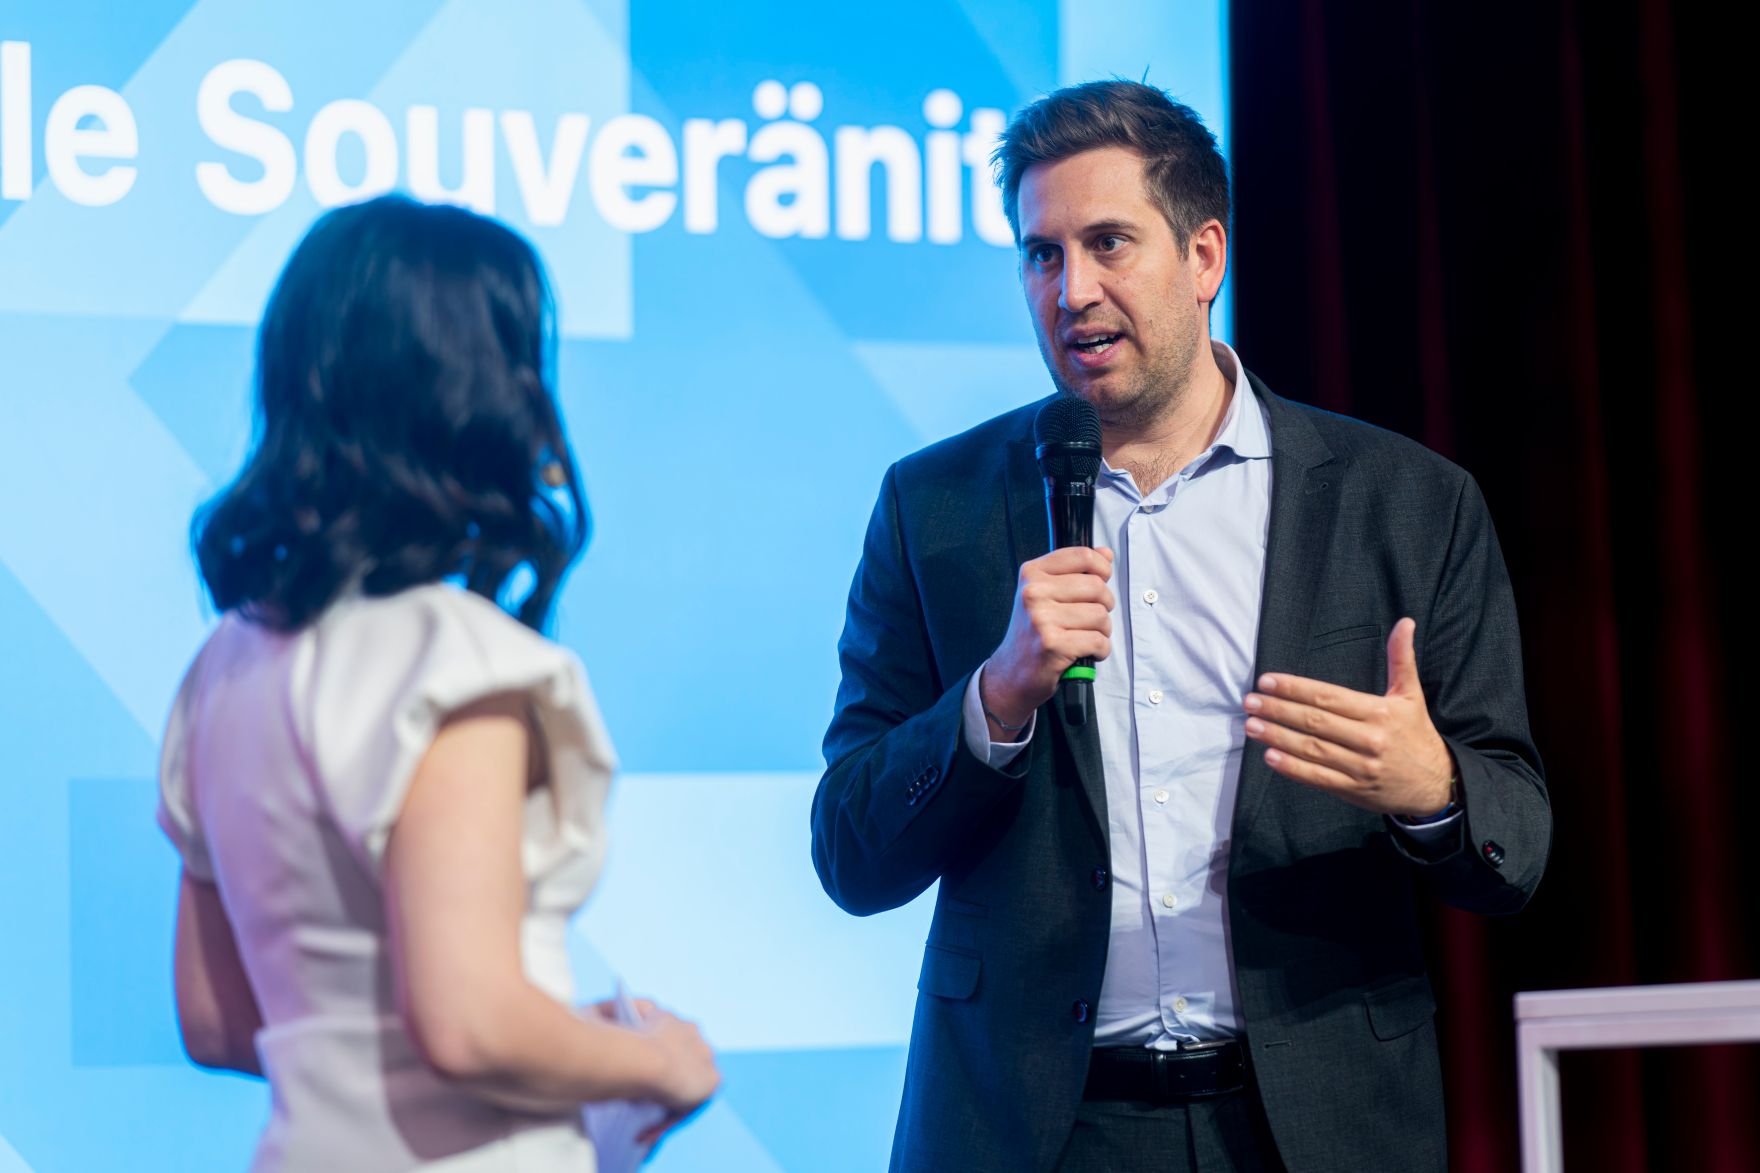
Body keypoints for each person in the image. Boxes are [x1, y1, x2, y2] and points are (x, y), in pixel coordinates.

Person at [811, 80, 1550, 1172]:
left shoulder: (1403, 501)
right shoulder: (938, 510)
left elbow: (1515, 847)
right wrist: (994, 697)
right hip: (1031, 1129)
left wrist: (1432, 789)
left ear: (1204, 257)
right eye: (1040, 255)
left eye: (1108, 243)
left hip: (1313, 1119)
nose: (1071, 291)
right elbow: (849, 851)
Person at [158, 195, 719, 1171]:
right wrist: (654, 1060)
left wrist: (548, 1039)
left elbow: (215, 1017)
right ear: (481, 393)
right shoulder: (458, 659)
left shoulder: (222, 668)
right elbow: (466, 1025)